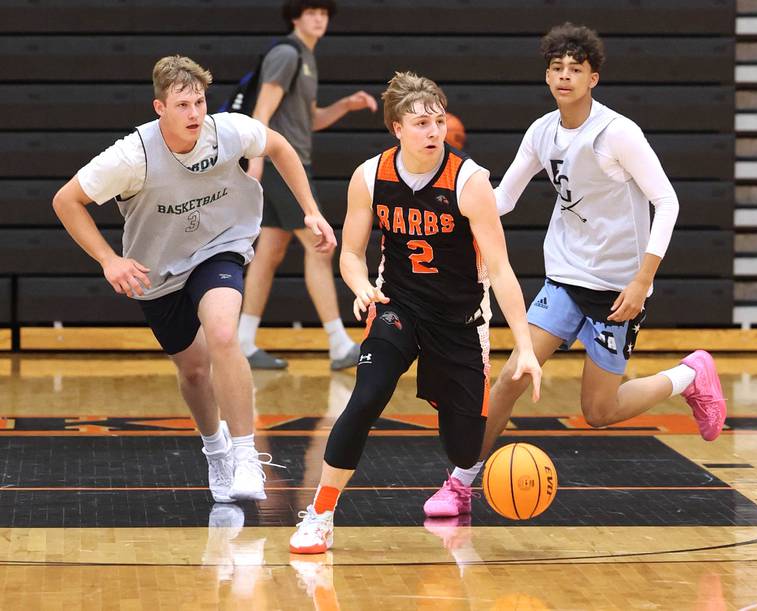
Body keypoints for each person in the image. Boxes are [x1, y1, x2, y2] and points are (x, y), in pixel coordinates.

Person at [424, 22, 728, 517]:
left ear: (593, 79)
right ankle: (460, 482)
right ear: (547, 76)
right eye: (557, 68)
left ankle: (689, 376)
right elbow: (501, 200)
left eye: (575, 69)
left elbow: (667, 202)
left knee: (598, 412)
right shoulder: (542, 132)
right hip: (564, 278)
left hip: (617, 288)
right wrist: (449, 197)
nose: (564, 77)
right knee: (511, 378)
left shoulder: (617, 133)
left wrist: (642, 279)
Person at [52, 55, 336, 504]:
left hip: (221, 245)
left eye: (199, 102)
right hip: (158, 269)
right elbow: (66, 201)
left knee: (224, 331)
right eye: (182, 105)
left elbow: (279, 146)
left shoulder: (227, 131)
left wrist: (311, 209)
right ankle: (217, 448)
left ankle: (245, 454)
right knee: (195, 371)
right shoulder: (132, 155)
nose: (194, 114)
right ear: (159, 108)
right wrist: (109, 261)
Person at [288, 71, 542, 554]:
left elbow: (503, 271)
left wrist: (525, 346)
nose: (433, 132)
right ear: (397, 128)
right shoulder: (370, 176)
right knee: (365, 398)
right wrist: (362, 286)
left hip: (460, 320)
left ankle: (460, 478)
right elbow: (349, 252)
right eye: (421, 122)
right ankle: (320, 513)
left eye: (439, 122)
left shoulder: (469, 181)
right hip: (397, 306)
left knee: (464, 445)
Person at [239, 0, 378, 371]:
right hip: (280, 166)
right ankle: (337, 344)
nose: (319, 18)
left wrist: (346, 105)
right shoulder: (287, 54)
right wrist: (256, 163)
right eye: (311, 12)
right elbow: (261, 115)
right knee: (320, 247)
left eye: (324, 12)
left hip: (285, 164)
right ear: (296, 17)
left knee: (269, 252)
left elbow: (310, 119)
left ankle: (243, 341)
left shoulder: (306, 57)